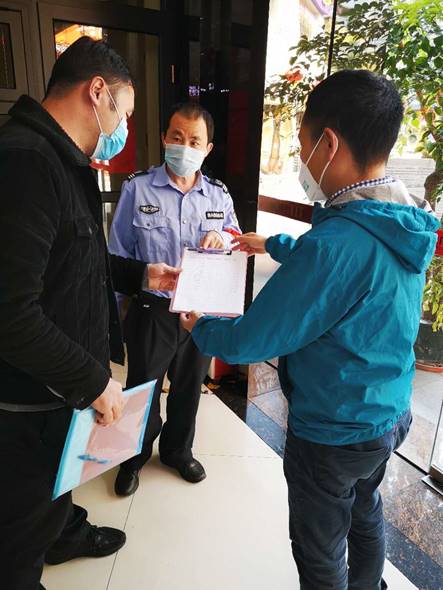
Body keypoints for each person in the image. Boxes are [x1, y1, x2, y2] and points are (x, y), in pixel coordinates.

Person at [180, 70, 440, 590]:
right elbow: (351, 270)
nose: (302, 158)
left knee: (320, 547)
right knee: (366, 510)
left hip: (333, 431)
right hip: (388, 415)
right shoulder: (402, 219)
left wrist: (201, 325)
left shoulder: (335, 245)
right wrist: (274, 245)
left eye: (303, 144)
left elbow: (255, 338)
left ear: (330, 144)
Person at [0, 37, 178, 590]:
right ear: (97, 91)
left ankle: (63, 531)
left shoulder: (64, 160)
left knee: (55, 490)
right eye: (124, 111)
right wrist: (94, 382)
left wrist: (141, 275)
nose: (124, 127)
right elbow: (10, 315)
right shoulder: (26, 162)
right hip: (28, 403)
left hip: (57, 394)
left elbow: (76, 260)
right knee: (16, 545)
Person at [109, 102, 241, 496]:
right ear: (165, 138)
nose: (185, 146)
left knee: (189, 387)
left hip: (198, 313)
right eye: (177, 137)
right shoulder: (138, 188)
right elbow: (116, 255)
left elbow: (237, 240)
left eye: (195, 141)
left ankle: (177, 451)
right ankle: (132, 458)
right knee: (142, 390)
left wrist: (224, 238)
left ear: (208, 148)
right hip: (151, 310)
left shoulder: (218, 195)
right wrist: (113, 318)